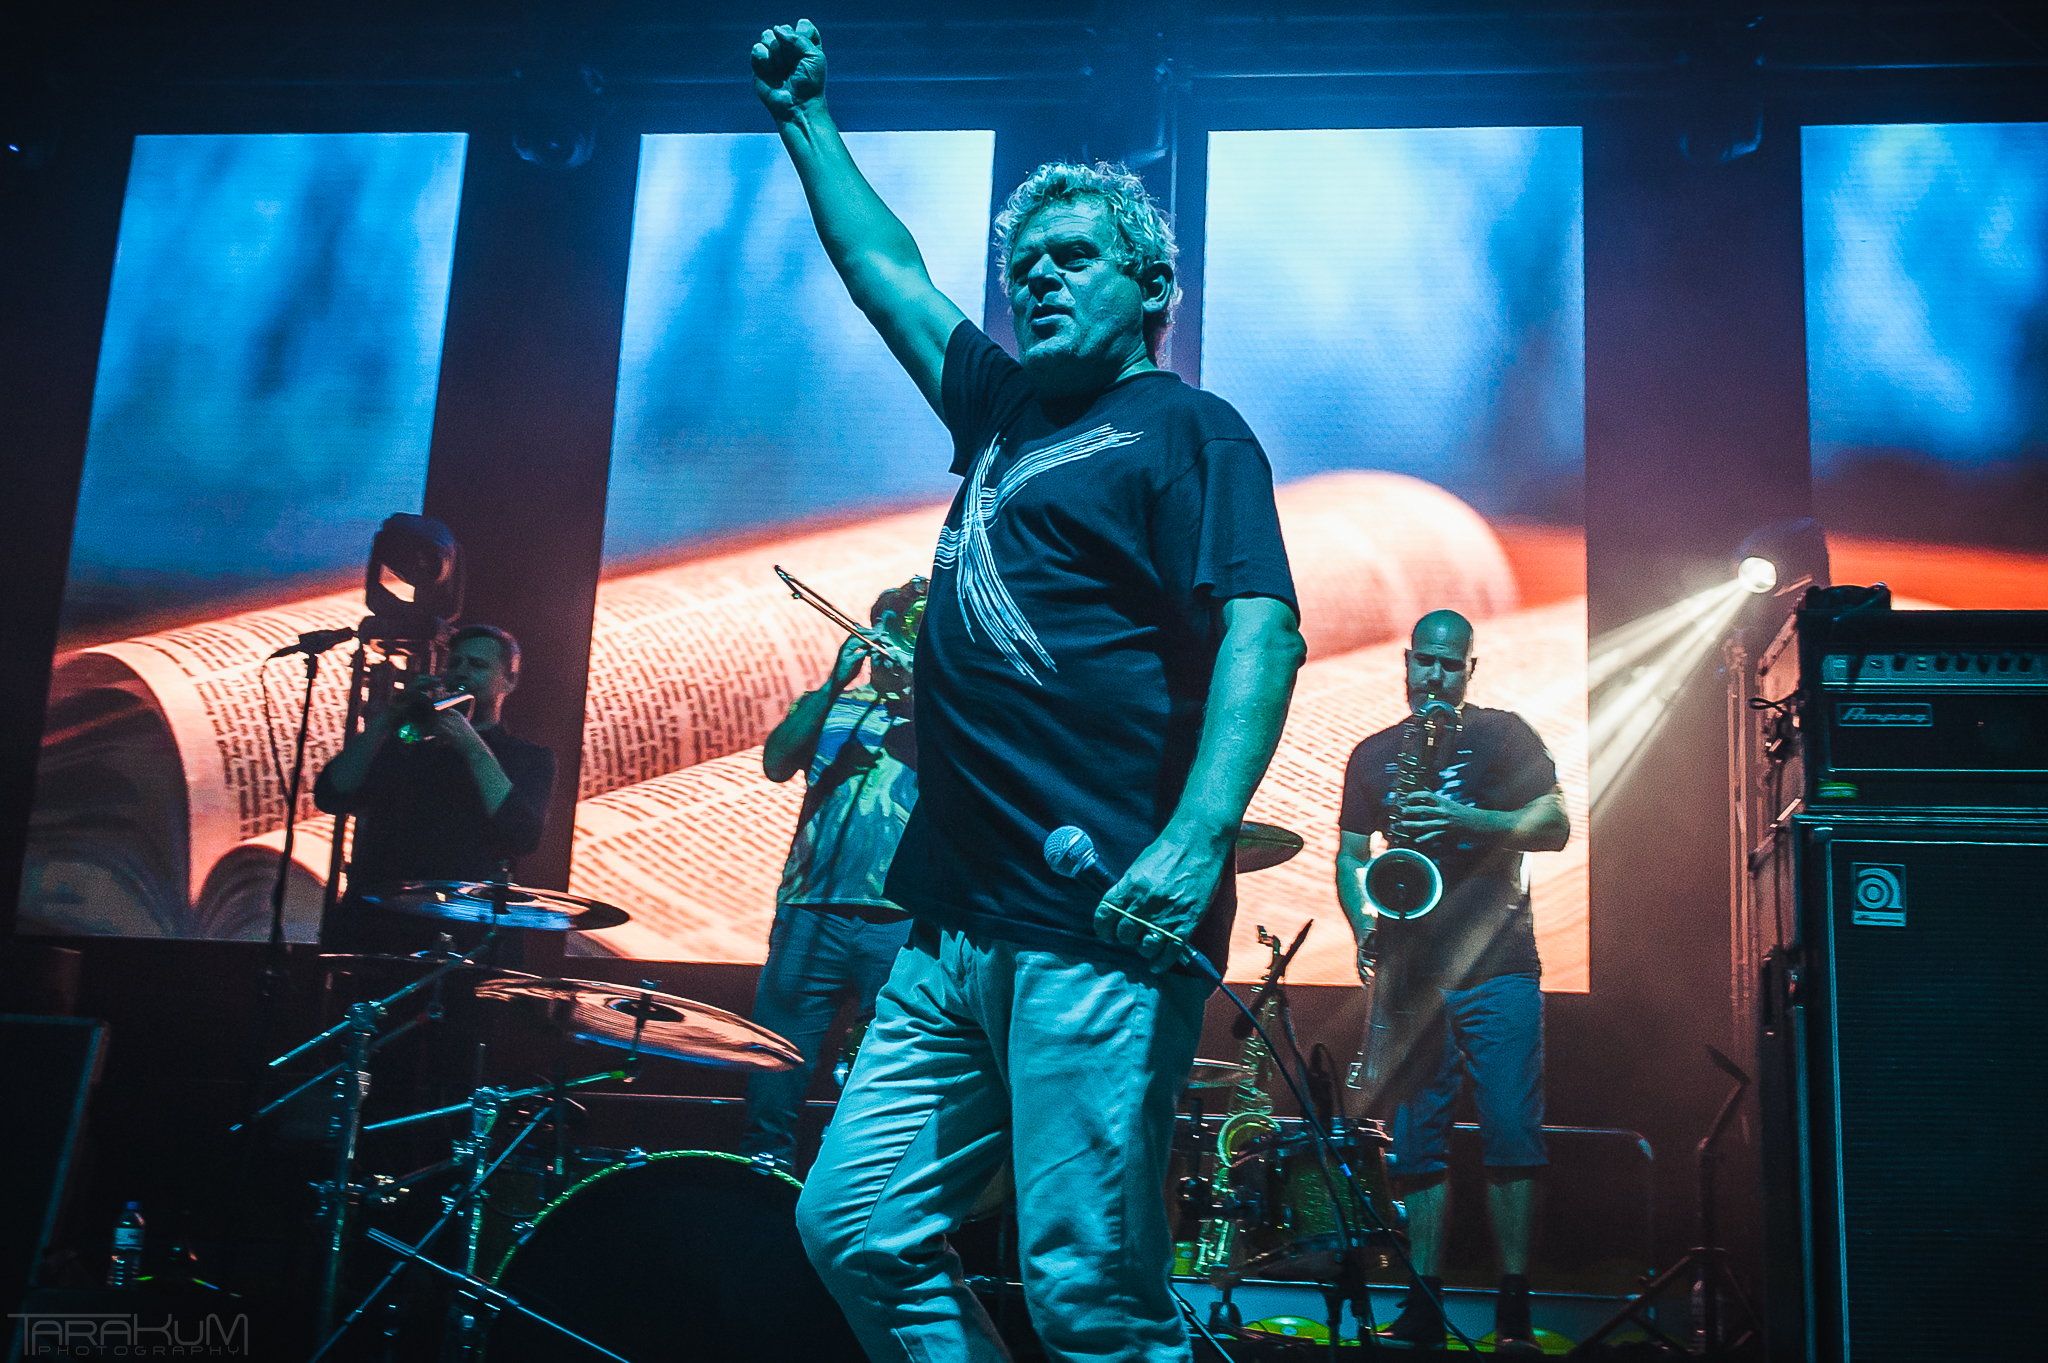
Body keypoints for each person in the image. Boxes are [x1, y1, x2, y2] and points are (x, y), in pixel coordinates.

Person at [752, 20, 1306, 1363]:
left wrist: (1196, 838)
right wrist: (806, 120)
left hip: (1094, 920)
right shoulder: (1000, 411)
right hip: (952, 925)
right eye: (1023, 265)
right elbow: (887, 274)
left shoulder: (1189, 431)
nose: (1037, 279)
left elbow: (1264, 629)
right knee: (855, 1225)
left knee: (1088, 1295)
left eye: (1072, 257)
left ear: (1151, 284)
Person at [1336, 609, 1570, 1353]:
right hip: (1411, 972)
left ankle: (1514, 1308)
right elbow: (1351, 855)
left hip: (1498, 963)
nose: (1434, 677)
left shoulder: (1505, 735)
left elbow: (1556, 826)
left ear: (1470, 670)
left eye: (1449, 665)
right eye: (1424, 662)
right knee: (1416, 1143)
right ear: (1407, 662)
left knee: (1511, 1130)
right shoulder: (1373, 755)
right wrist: (1362, 921)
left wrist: (1469, 818)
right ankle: (1424, 1301)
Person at [741, 578, 926, 1172]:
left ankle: (857, 1189)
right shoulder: (831, 705)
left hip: (898, 919)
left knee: (885, 1073)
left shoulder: (946, 713)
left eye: (909, 630)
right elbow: (776, 764)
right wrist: (832, 685)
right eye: (890, 627)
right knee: (775, 1065)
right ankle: (763, 1186)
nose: (894, 643)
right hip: (809, 911)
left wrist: (922, 693)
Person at [313, 623, 556, 956]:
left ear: (509, 681)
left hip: (464, 936)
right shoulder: (408, 746)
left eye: (477, 665)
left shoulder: (528, 757)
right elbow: (331, 794)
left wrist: (472, 745)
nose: (461, 672)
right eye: (454, 664)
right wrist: (386, 722)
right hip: (380, 930)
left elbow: (522, 836)